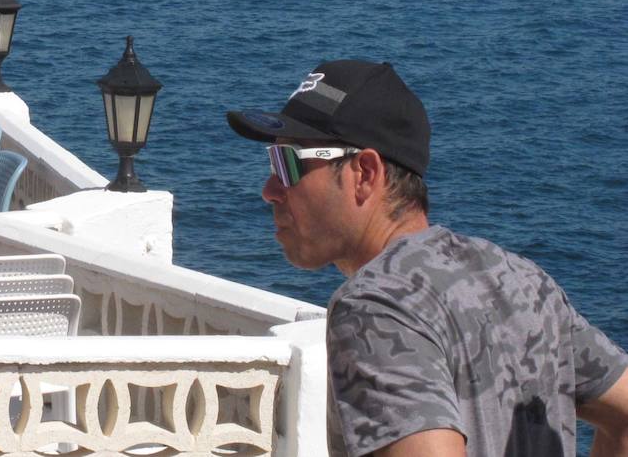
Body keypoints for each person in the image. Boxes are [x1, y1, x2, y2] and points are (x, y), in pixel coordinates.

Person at [227, 59, 628, 457]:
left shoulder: (375, 306)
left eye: (287, 164)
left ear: (365, 173)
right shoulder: (523, 281)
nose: (269, 190)